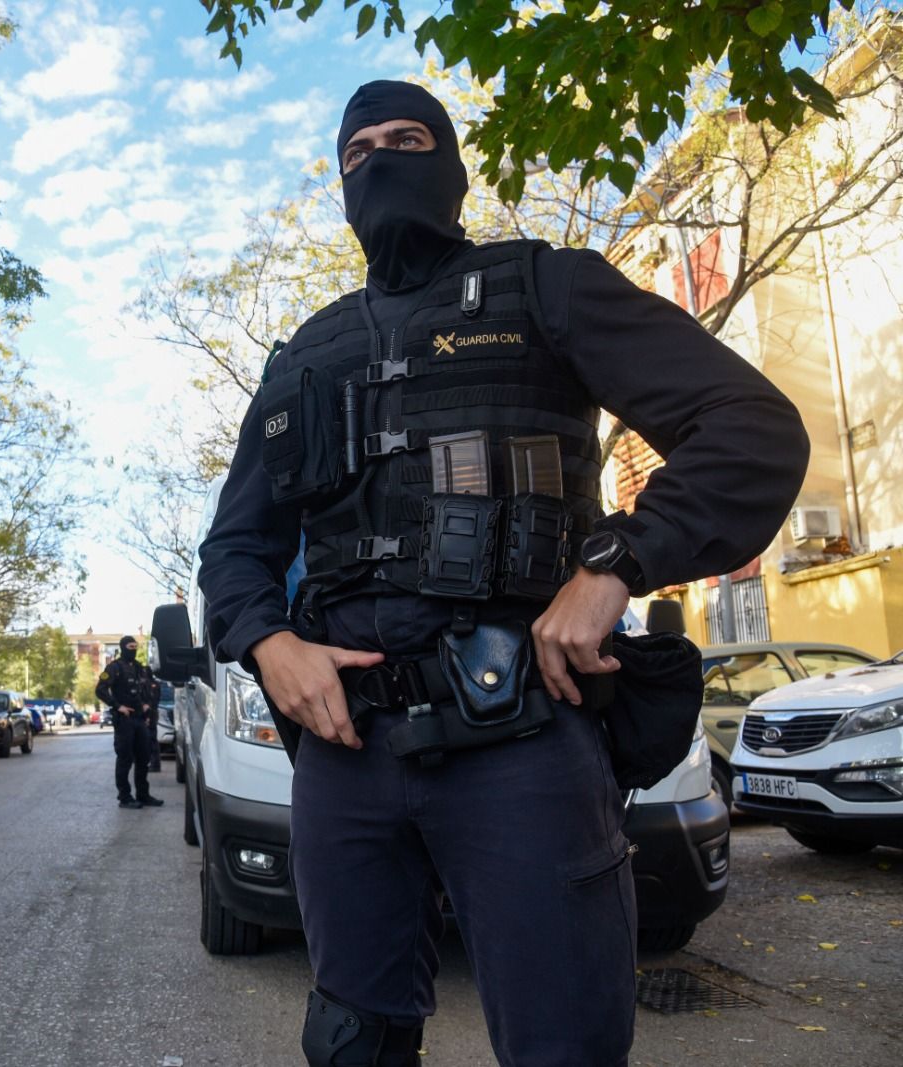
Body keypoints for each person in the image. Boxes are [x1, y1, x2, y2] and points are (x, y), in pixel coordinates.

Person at [197, 80, 809, 1067]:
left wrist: (614, 563)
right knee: (349, 1036)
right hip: (344, 750)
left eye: (408, 139)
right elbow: (233, 547)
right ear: (341, 182)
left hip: (520, 737)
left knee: (563, 1038)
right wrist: (269, 645)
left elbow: (750, 427)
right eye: (359, 152)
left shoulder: (544, 285)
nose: (383, 161)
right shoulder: (301, 358)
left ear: (450, 164)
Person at [95, 636, 163, 809]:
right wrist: (117, 706)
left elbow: (149, 687)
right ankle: (124, 797)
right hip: (124, 721)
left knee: (143, 758)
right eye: (130, 646)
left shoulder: (140, 668)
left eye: (135, 646)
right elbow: (100, 690)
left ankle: (143, 795)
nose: (133, 649)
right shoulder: (114, 668)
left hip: (140, 720)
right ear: (123, 647)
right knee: (125, 759)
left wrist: (148, 704)